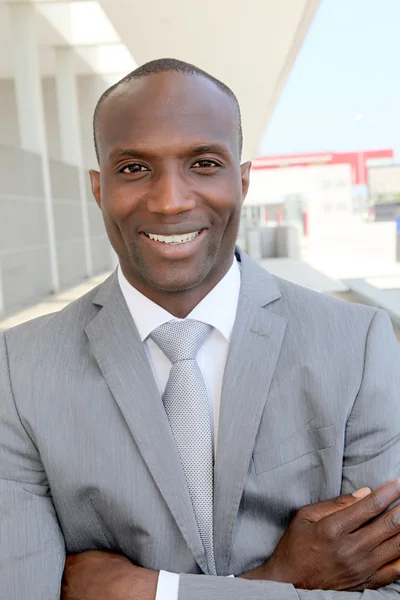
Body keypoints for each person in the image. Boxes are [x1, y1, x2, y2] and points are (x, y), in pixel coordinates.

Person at [1, 58, 400, 600]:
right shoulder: (18, 371)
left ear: (243, 179)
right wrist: (278, 582)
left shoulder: (358, 345)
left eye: (204, 163)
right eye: (134, 168)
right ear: (98, 189)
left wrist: (153, 592)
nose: (170, 201)